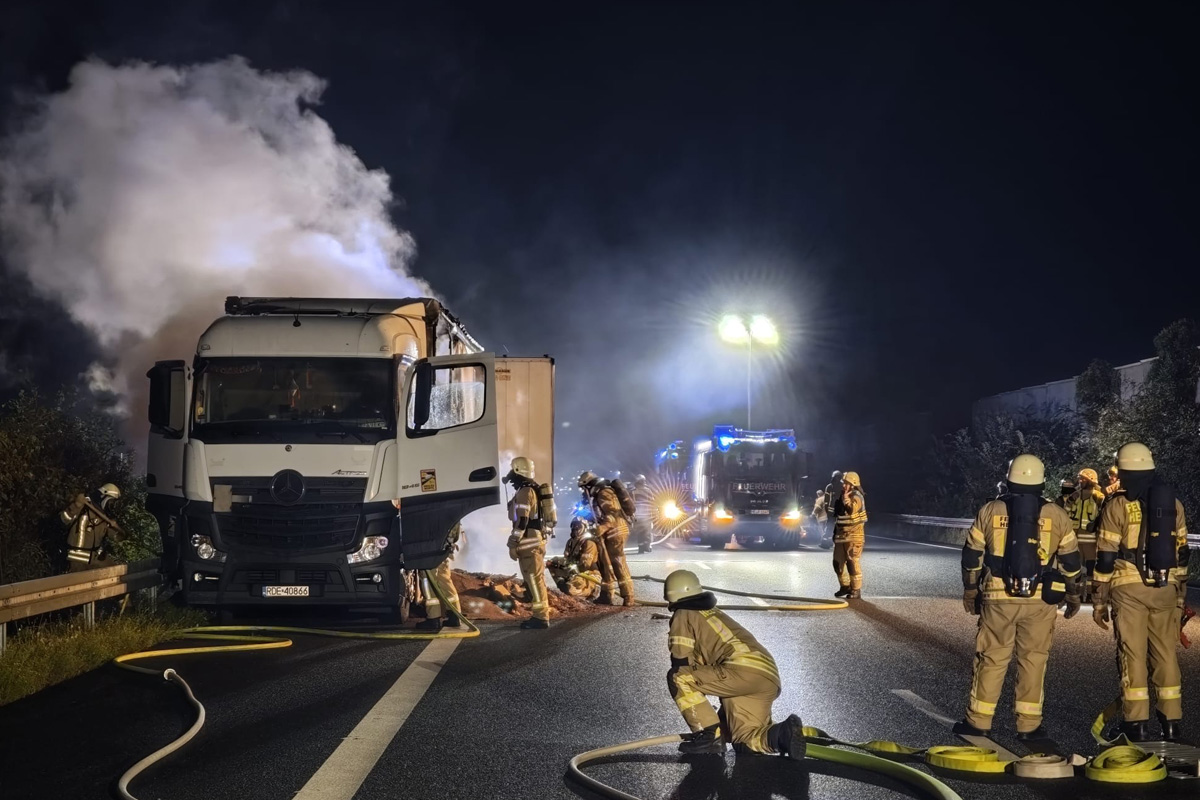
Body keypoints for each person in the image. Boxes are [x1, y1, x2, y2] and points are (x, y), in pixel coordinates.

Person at [956, 454, 1083, 740]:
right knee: (1034, 660)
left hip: (998, 596)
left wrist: (971, 589)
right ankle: (1029, 726)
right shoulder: (1056, 514)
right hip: (1041, 600)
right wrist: (1074, 595)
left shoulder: (991, 510)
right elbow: (1071, 562)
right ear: (1042, 481)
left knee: (992, 657)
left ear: (1009, 477)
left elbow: (972, 556)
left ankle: (978, 722)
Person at [1092, 442, 1190, 742]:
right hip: (1166, 587)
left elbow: (1105, 557)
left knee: (1132, 654)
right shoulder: (1173, 504)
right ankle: (1171, 724)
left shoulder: (1117, 505)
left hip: (1129, 588)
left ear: (1123, 471)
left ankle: (1136, 725)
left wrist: (1099, 601)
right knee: (1165, 655)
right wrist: (1180, 596)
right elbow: (1182, 553)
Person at [664, 569, 806, 758]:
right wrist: (722, 720)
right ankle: (783, 735)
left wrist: (707, 726)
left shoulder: (684, 613)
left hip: (740, 670)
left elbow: (680, 661)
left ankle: (709, 736)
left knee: (678, 677)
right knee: (744, 740)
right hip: (767, 676)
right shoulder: (713, 613)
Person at [506, 456, 551, 629]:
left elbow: (522, 521)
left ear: (517, 470)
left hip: (529, 543)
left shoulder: (525, 491)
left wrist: (513, 542)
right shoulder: (532, 488)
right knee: (534, 579)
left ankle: (541, 618)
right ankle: (539, 614)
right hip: (534, 541)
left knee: (534, 580)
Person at [580, 471, 636, 606]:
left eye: (584, 488)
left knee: (618, 562)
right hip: (610, 532)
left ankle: (628, 596)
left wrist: (602, 527)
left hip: (616, 532)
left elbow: (613, 514)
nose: (584, 492)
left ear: (589, 484)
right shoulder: (600, 494)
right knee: (605, 563)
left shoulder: (604, 493)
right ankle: (606, 594)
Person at [60, 483, 125, 572]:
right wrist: (76, 505)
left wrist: (118, 529)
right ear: (102, 496)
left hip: (94, 558)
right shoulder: (83, 507)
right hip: (77, 558)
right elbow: (64, 519)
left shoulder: (105, 518)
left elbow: (116, 537)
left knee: (116, 571)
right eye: (111, 501)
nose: (111, 505)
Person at [416, 522, 463, 632]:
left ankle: (433, 619)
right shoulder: (449, 513)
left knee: (428, 582)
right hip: (443, 549)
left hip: (432, 550)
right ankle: (454, 616)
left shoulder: (433, 513)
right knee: (444, 581)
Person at [1066, 469, 1105, 598]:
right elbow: (1065, 513)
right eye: (1080, 478)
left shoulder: (1099, 497)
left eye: (1083, 479)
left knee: (1090, 568)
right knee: (1075, 568)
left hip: (1091, 541)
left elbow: (1104, 516)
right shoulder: (1074, 496)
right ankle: (1075, 592)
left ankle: (1089, 593)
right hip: (1074, 539)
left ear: (1091, 481)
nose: (1080, 481)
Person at [831, 471, 867, 599]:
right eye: (843, 483)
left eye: (846, 483)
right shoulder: (843, 496)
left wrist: (846, 499)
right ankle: (845, 586)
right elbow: (839, 517)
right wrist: (835, 534)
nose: (844, 485)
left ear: (853, 484)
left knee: (852, 562)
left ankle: (855, 589)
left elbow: (852, 510)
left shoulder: (857, 497)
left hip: (854, 536)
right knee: (837, 563)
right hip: (841, 536)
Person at [548, 519, 602, 599]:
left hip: (588, 574)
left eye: (579, 526)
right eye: (574, 526)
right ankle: (563, 585)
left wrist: (571, 567)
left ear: (585, 528)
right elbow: (567, 559)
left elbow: (585, 565)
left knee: (571, 589)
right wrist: (554, 561)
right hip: (574, 571)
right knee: (553, 563)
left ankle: (593, 589)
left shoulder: (589, 543)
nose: (575, 528)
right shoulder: (570, 542)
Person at [633, 474, 654, 554]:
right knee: (646, 532)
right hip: (646, 515)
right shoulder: (648, 491)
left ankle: (641, 548)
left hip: (638, 516)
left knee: (640, 533)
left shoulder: (634, 491)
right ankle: (646, 547)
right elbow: (652, 502)